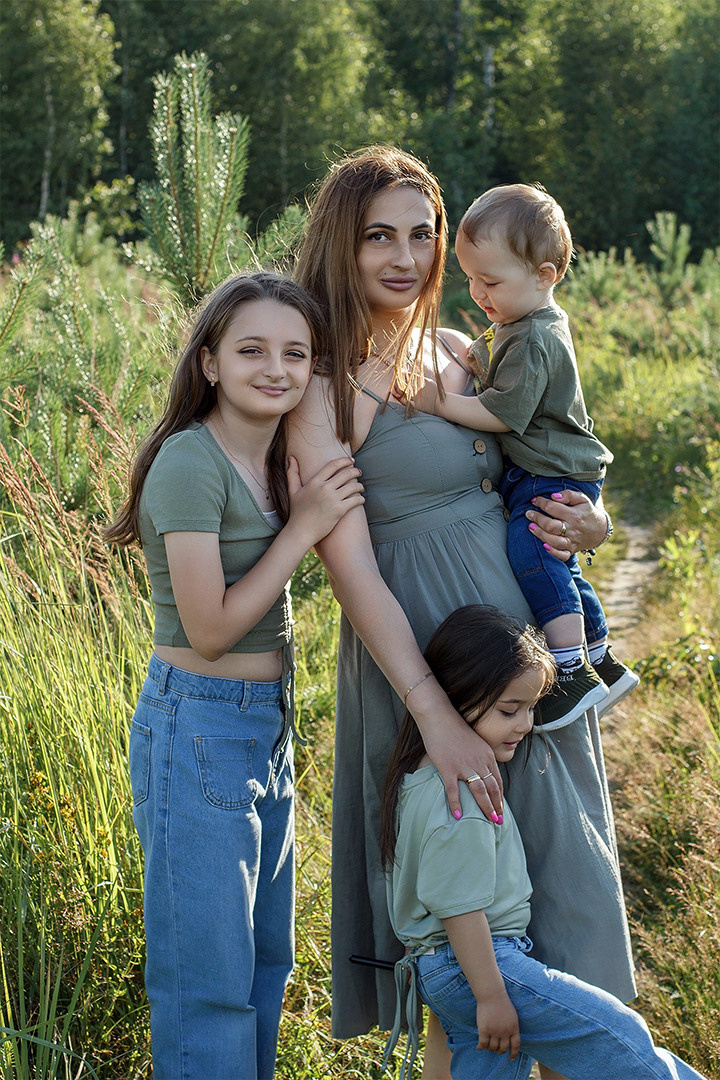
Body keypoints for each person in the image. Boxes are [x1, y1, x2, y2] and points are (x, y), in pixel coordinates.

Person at [289, 147, 636, 1079]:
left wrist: (592, 523)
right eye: (378, 236)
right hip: (424, 664)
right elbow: (350, 567)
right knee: (461, 935)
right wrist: (434, 717)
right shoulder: (318, 382)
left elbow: (546, 458)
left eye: (422, 233)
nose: (404, 257)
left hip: (524, 653)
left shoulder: (458, 350)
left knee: (565, 906)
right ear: (342, 243)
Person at [103, 272, 364, 1080]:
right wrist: (307, 528)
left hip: (266, 725)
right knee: (206, 985)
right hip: (200, 723)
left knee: (263, 965)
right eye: (252, 350)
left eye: (296, 353)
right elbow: (211, 629)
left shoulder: (279, 460)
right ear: (210, 362)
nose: (275, 368)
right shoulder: (192, 463)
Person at [380, 605, 706, 1080]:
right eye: (510, 710)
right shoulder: (461, 799)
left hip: (456, 970)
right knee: (615, 1035)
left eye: (531, 707)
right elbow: (459, 909)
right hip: (479, 965)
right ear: (452, 699)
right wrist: (491, 996)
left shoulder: (426, 776)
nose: (526, 723)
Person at [397, 183, 639, 729]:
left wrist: (440, 400)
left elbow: (503, 413)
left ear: (544, 275)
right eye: (470, 278)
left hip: (550, 471)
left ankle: (571, 670)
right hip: (551, 468)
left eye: (491, 281)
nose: (478, 292)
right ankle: (602, 656)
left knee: (534, 553)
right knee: (559, 562)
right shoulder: (516, 321)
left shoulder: (532, 336)